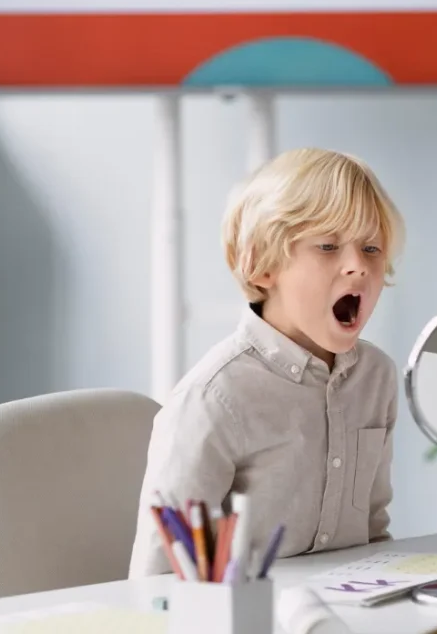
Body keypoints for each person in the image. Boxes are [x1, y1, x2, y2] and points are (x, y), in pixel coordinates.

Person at [128, 148, 404, 577]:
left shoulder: (377, 378)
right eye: (328, 246)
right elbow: (159, 578)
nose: (358, 267)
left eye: (371, 248)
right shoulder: (213, 398)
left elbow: (372, 535)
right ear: (260, 265)